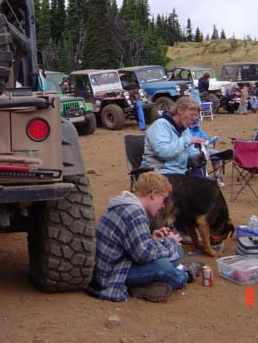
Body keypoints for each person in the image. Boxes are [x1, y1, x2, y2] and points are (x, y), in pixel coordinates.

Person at [89, 172, 200, 302]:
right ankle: (185, 274)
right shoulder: (135, 213)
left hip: (112, 265)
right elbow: (143, 255)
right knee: (165, 268)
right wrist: (170, 242)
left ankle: (144, 285)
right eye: (163, 199)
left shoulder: (126, 204)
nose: (163, 206)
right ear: (153, 195)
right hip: (114, 274)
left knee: (177, 251)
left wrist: (153, 239)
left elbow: (133, 246)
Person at [141, 97, 205, 175]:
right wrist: (188, 141)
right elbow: (163, 153)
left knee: (205, 182)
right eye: (191, 115)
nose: (194, 119)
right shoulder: (160, 125)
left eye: (196, 116)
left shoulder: (184, 128)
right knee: (200, 184)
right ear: (180, 110)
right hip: (159, 173)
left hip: (179, 172)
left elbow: (190, 153)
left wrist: (201, 155)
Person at [188, 119, 226, 186]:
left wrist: (211, 140)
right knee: (199, 156)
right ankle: (202, 176)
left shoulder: (198, 128)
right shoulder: (184, 129)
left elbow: (205, 140)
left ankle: (217, 177)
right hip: (191, 151)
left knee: (217, 154)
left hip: (203, 149)